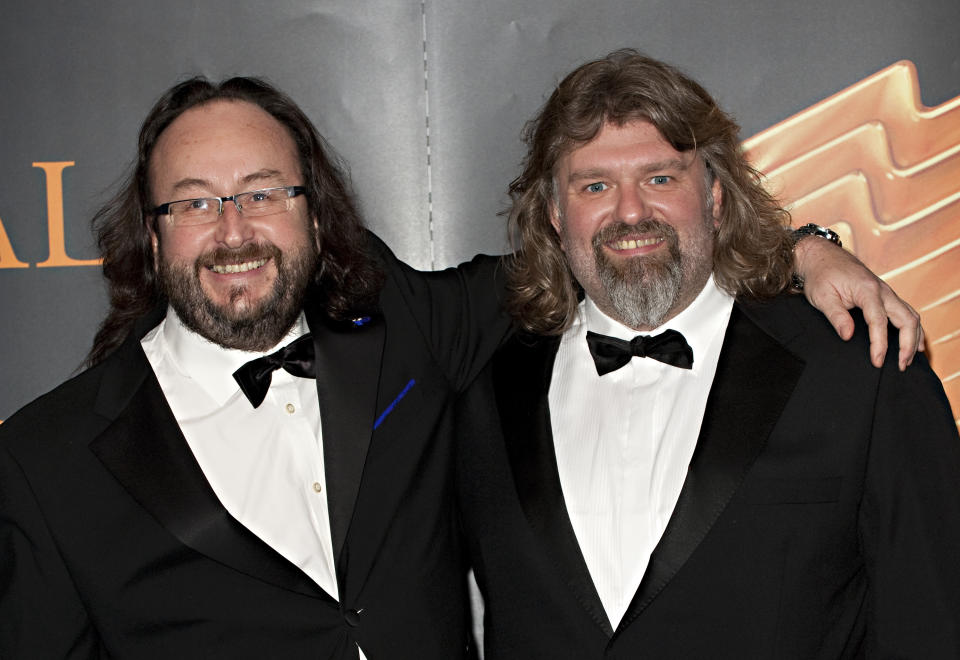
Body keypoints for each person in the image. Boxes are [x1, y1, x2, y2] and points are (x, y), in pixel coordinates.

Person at [0, 74, 923, 659]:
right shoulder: (47, 460)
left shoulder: (411, 332)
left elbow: (629, 250)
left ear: (316, 216)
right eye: (195, 203)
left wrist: (802, 249)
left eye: (264, 194)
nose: (235, 230)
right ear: (149, 235)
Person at [456, 50, 960, 658]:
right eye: (595, 185)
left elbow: (933, 622)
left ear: (717, 196)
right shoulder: (479, 382)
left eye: (661, 178)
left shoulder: (862, 364)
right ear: (557, 215)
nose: (631, 211)